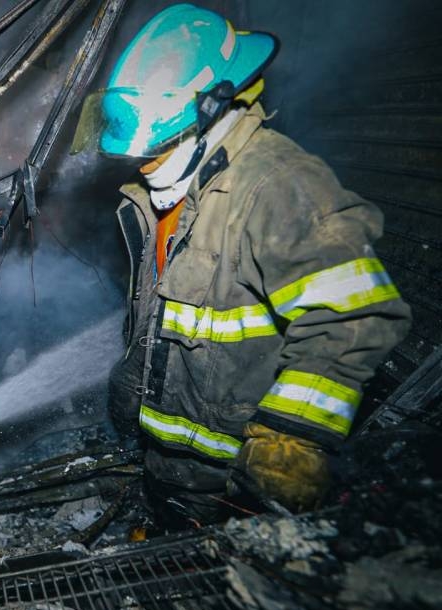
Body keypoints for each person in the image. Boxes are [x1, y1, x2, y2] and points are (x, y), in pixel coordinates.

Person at [72, 4, 411, 524]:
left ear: (215, 111)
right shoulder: (158, 194)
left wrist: (291, 434)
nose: (142, 164)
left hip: (232, 482)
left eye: (157, 146)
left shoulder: (279, 186)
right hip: (168, 463)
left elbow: (355, 313)